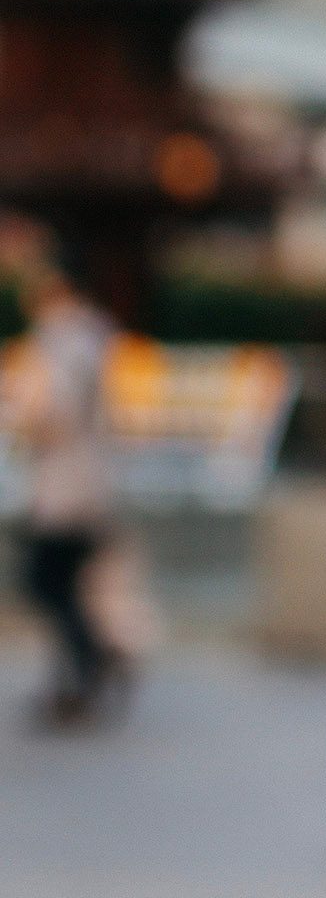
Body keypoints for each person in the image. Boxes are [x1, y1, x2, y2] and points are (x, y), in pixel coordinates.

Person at [0, 220, 130, 730]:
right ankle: (83, 670)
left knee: (45, 581)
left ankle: (90, 665)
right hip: (84, 480)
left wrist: (18, 416)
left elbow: (54, 414)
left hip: (67, 485)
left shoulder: (66, 337)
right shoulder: (91, 333)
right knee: (61, 584)